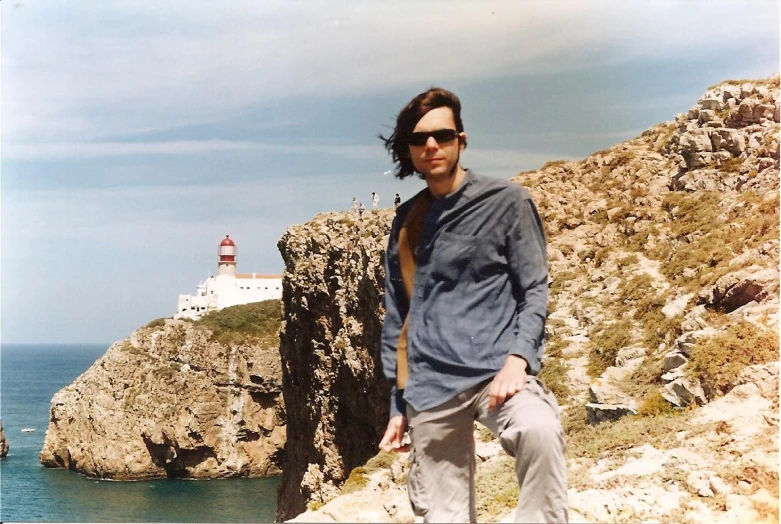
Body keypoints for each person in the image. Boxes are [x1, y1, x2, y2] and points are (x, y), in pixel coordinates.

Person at [377, 87, 567, 523]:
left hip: (497, 374)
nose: (431, 146)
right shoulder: (406, 223)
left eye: (442, 135)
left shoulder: (508, 202)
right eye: (419, 139)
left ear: (461, 140)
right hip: (430, 386)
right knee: (442, 515)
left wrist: (519, 360)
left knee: (539, 431)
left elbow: (534, 289)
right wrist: (398, 404)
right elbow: (399, 317)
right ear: (409, 151)